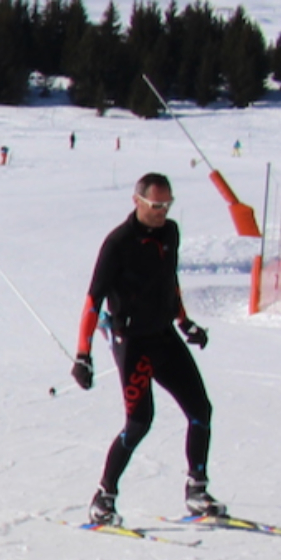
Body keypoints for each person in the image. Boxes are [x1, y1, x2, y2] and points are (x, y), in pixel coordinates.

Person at [72, 172, 224, 526]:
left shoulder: (171, 232)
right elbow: (93, 301)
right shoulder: (118, 243)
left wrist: (184, 322)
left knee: (201, 410)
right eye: (156, 205)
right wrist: (84, 355)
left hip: (163, 334)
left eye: (167, 204)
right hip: (132, 340)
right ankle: (103, 497)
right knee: (140, 422)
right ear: (137, 201)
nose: (162, 211)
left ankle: (196, 489)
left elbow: (170, 283)